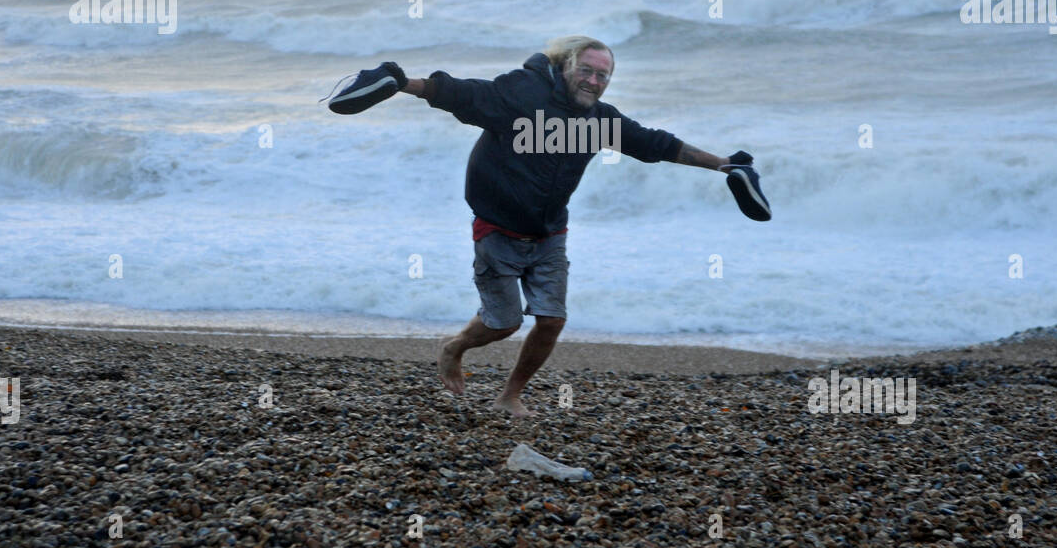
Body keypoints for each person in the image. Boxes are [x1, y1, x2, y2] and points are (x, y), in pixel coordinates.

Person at [326, 35, 765, 417]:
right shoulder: (520, 96)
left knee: (552, 320)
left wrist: (725, 165)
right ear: (565, 65)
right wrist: (400, 83)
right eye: (587, 71)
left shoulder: (601, 121)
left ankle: (509, 396)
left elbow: (657, 144)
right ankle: (453, 348)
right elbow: (460, 94)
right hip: (497, 230)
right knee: (503, 324)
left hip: (550, 233)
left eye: (603, 76)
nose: (594, 81)